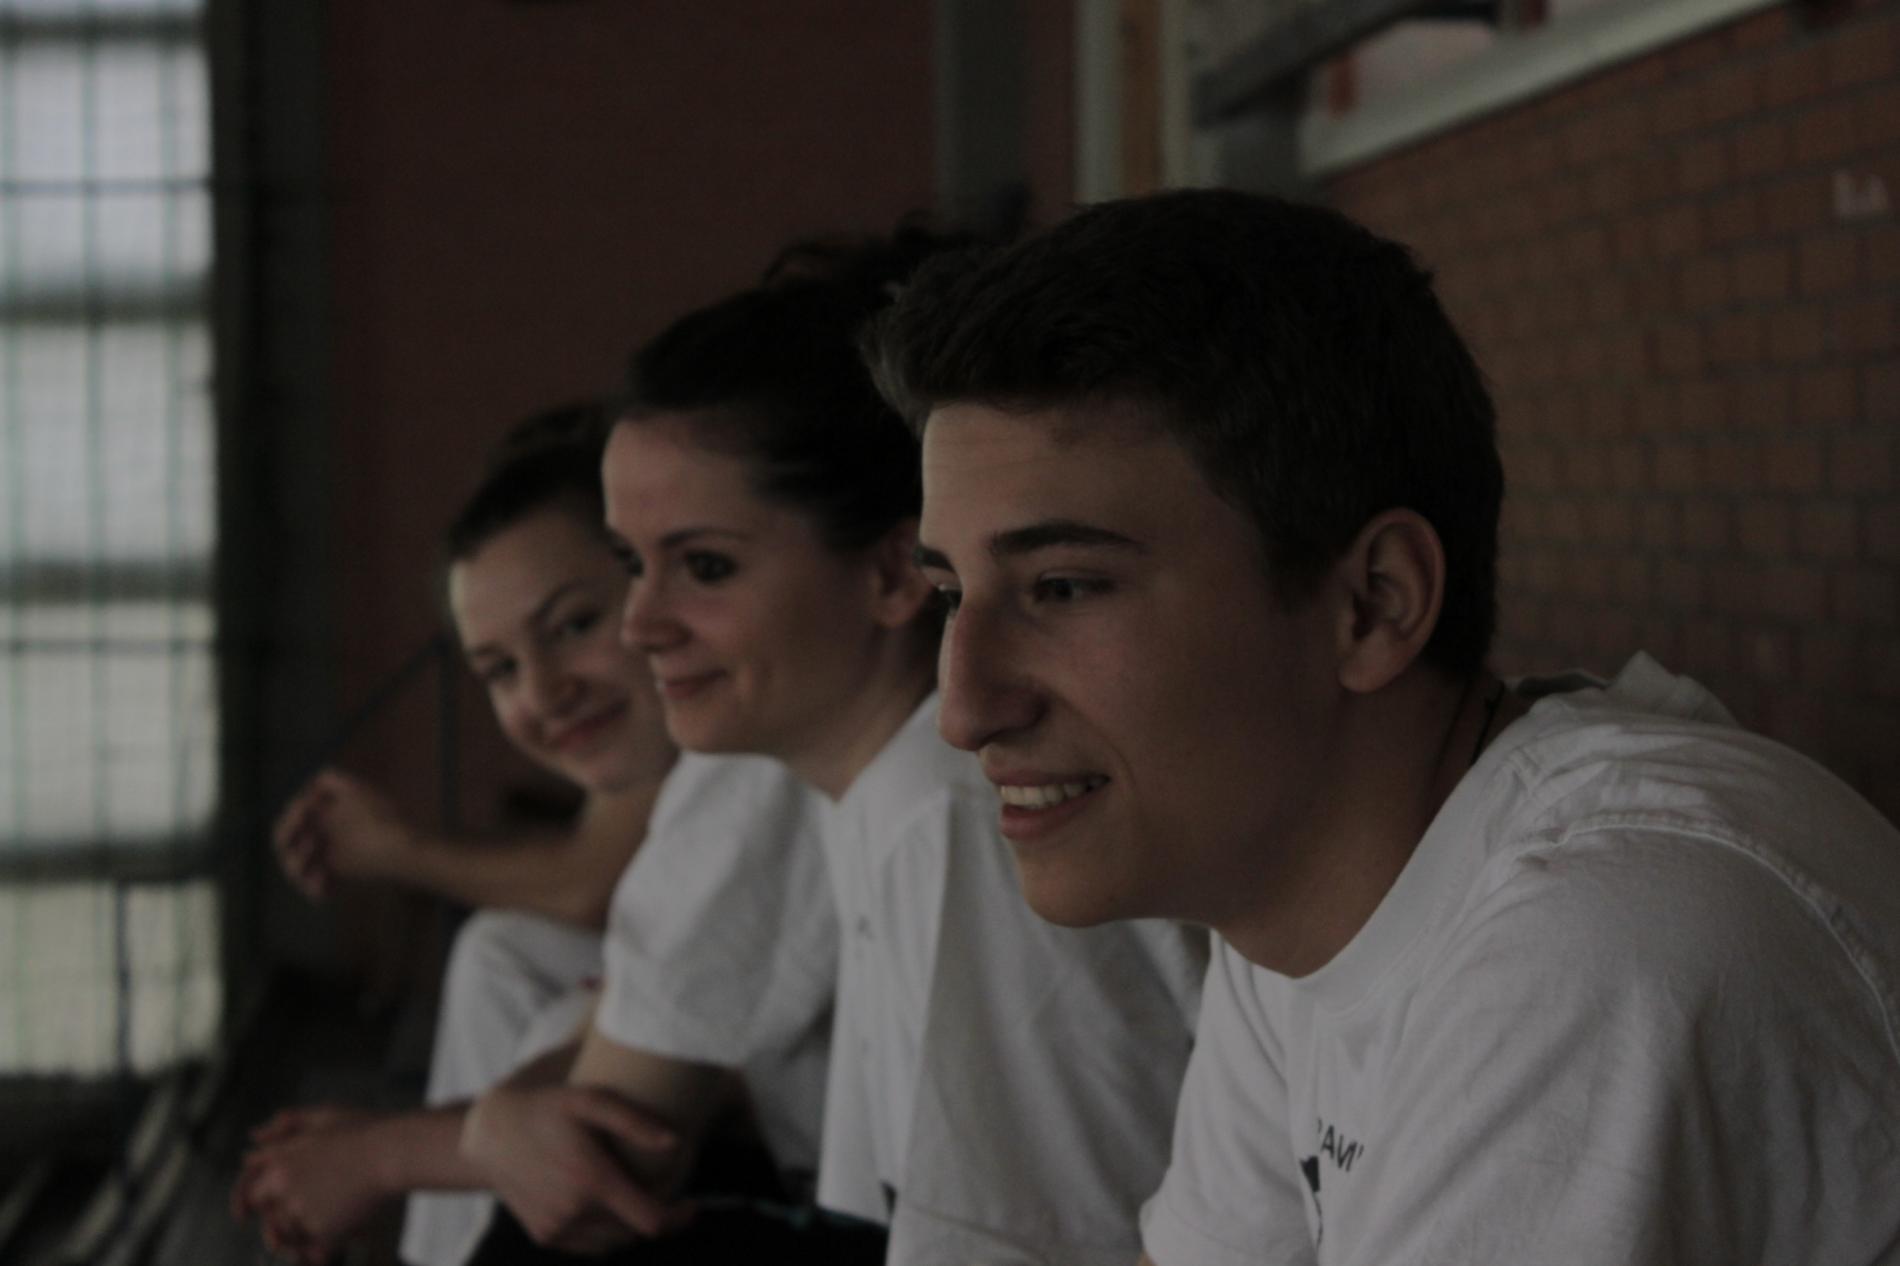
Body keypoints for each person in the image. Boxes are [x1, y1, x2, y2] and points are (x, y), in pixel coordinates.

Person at [868, 187, 1900, 1265]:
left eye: (1064, 587)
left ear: (1373, 604)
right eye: (952, 595)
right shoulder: (1286, 890)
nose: (964, 709)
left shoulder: (1604, 933)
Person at [587, 231, 1207, 1266]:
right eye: (630, 564)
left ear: (891, 574)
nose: (638, 624)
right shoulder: (883, 796)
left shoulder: (951, 811)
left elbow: (1052, 1248)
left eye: (704, 567)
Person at [238, 412, 838, 1266]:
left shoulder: (751, 758)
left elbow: (589, 891)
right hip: (776, 1134)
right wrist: (428, 1141)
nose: (546, 692)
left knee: (538, 1015)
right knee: (505, 958)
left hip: (824, 1210)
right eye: (500, 670)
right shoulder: (705, 760)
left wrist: (380, 1156)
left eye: (573, 625)